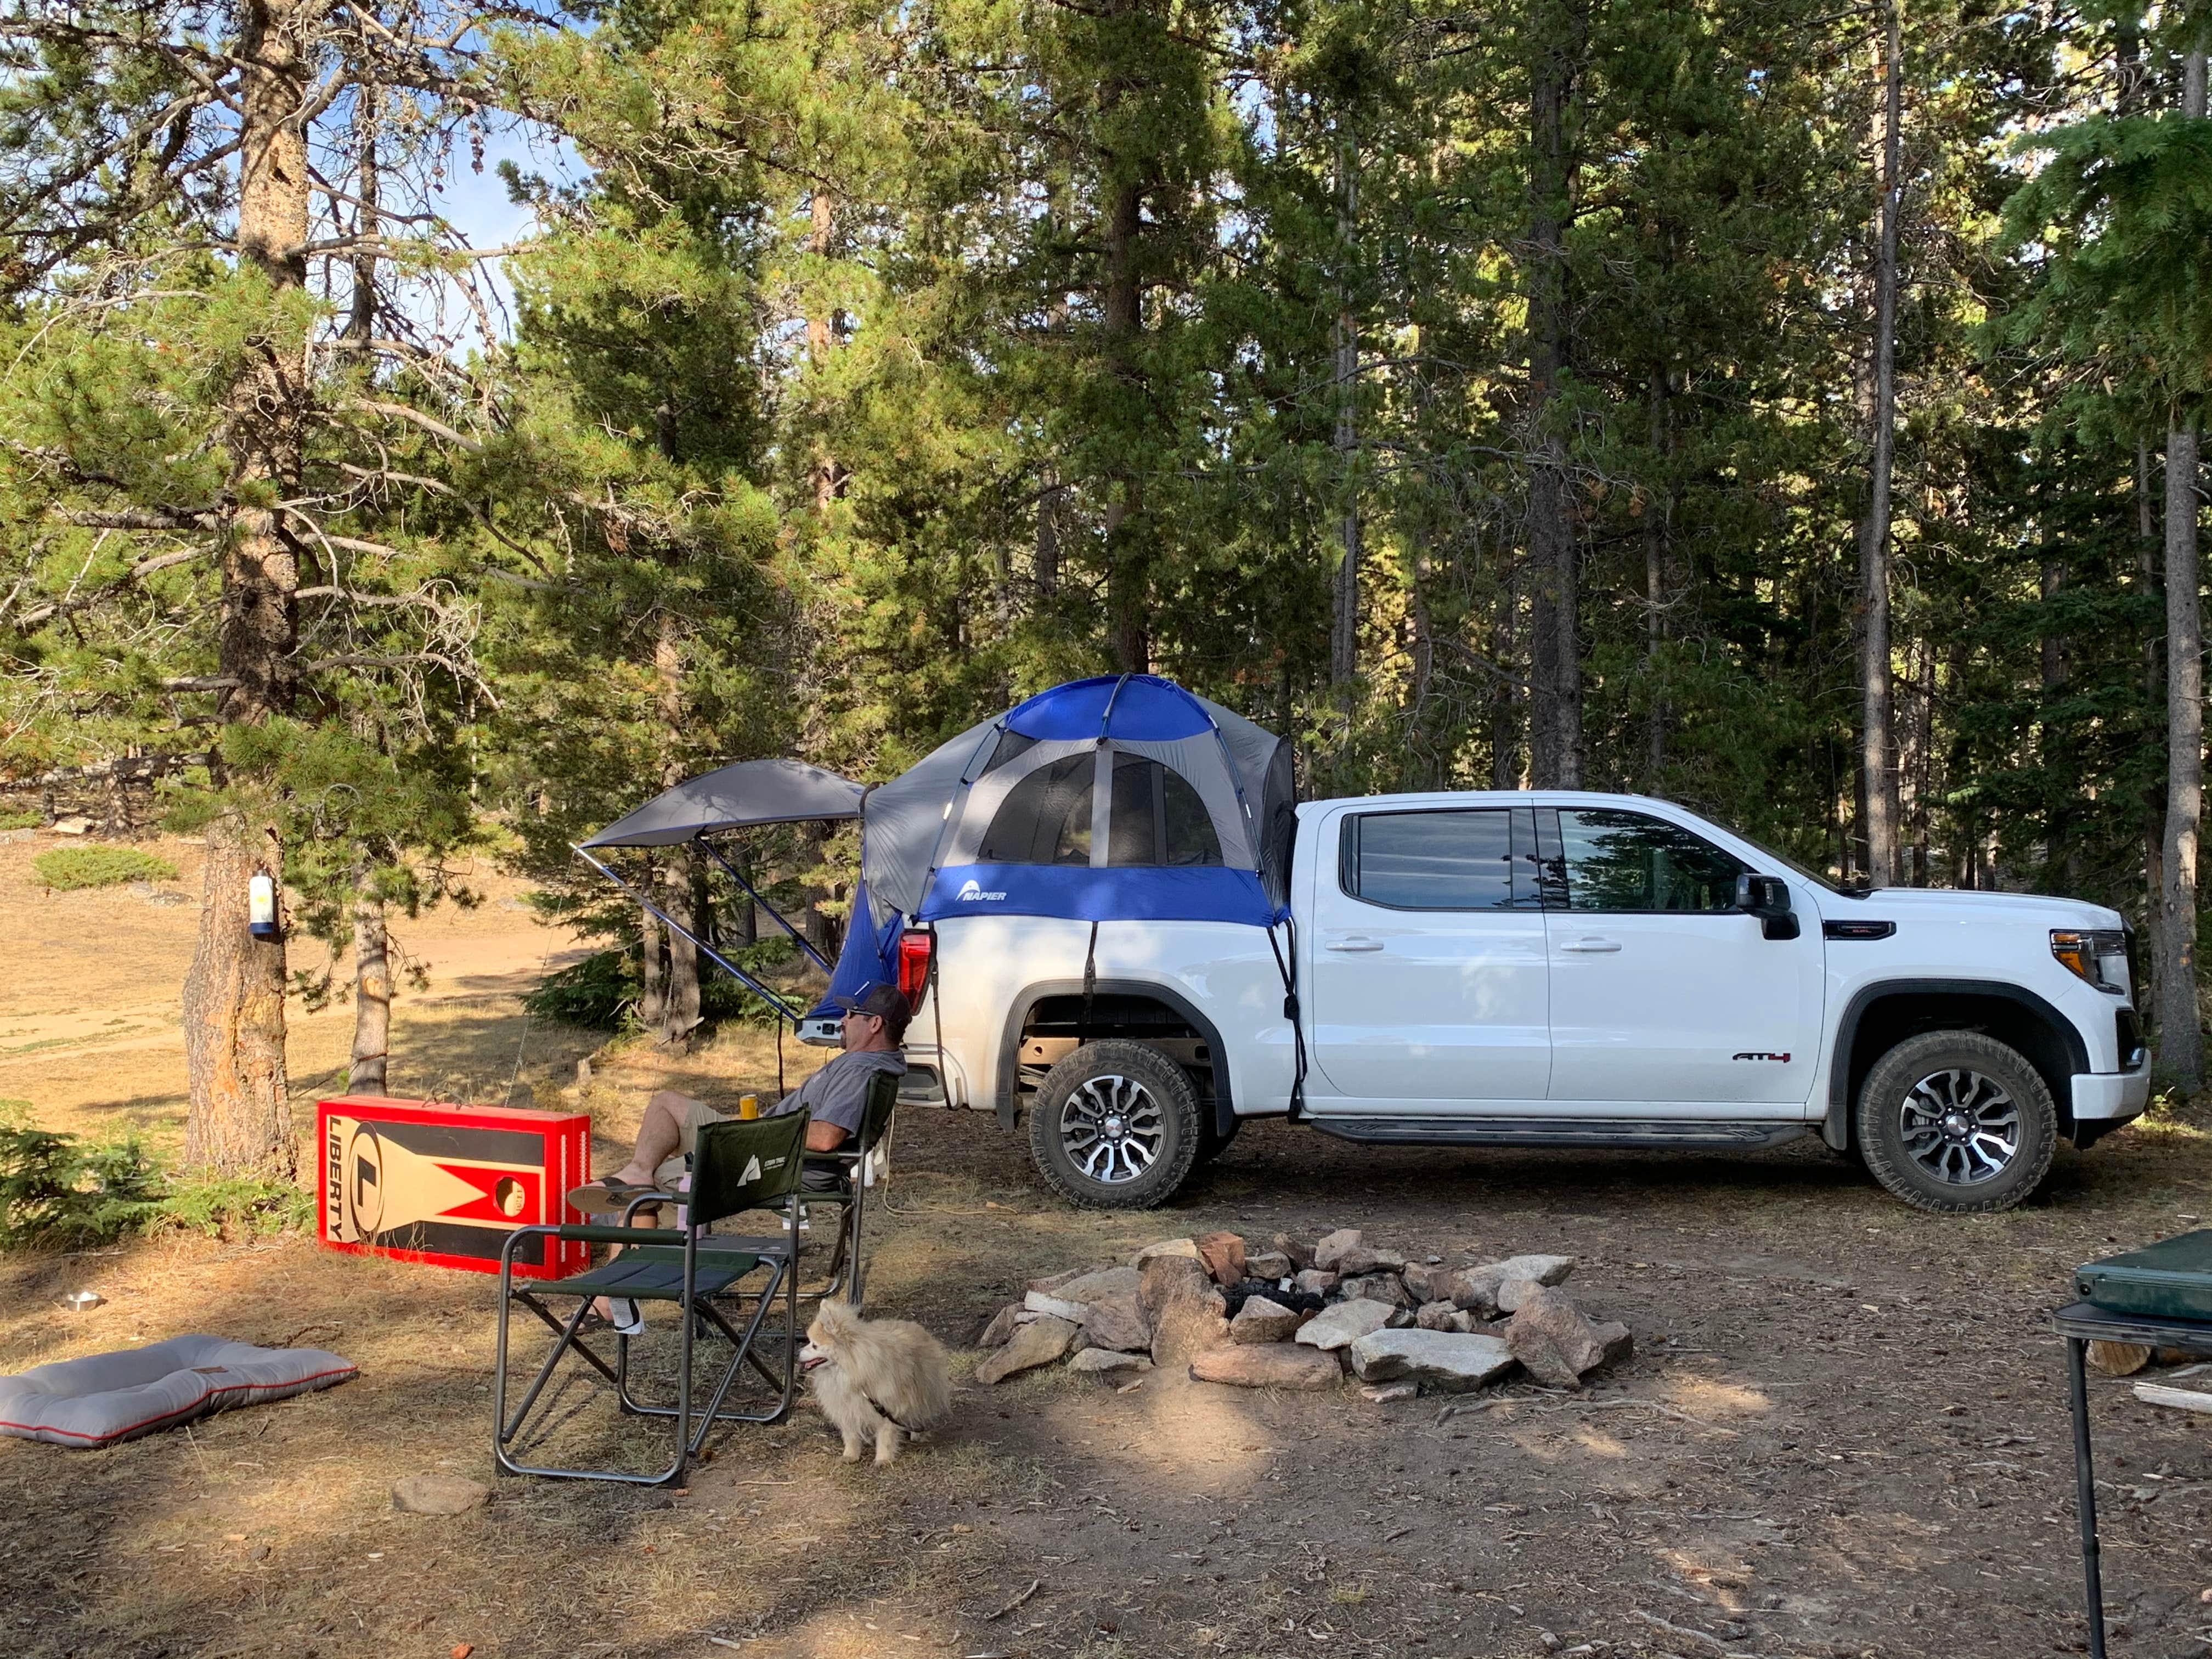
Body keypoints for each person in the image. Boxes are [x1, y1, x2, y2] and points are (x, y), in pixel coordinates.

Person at [584, 982, 909, 1204]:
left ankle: (617, 1298)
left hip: (770, 1161)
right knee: (666, 1104)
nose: (843, 1020)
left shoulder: (861, 1071)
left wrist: (761, 1130)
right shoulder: (866, 1063)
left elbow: (826, 1138)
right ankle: (637, 1173)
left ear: (875, 1024)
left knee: (657, 1182)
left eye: (851, 1014)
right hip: (762, 1145)